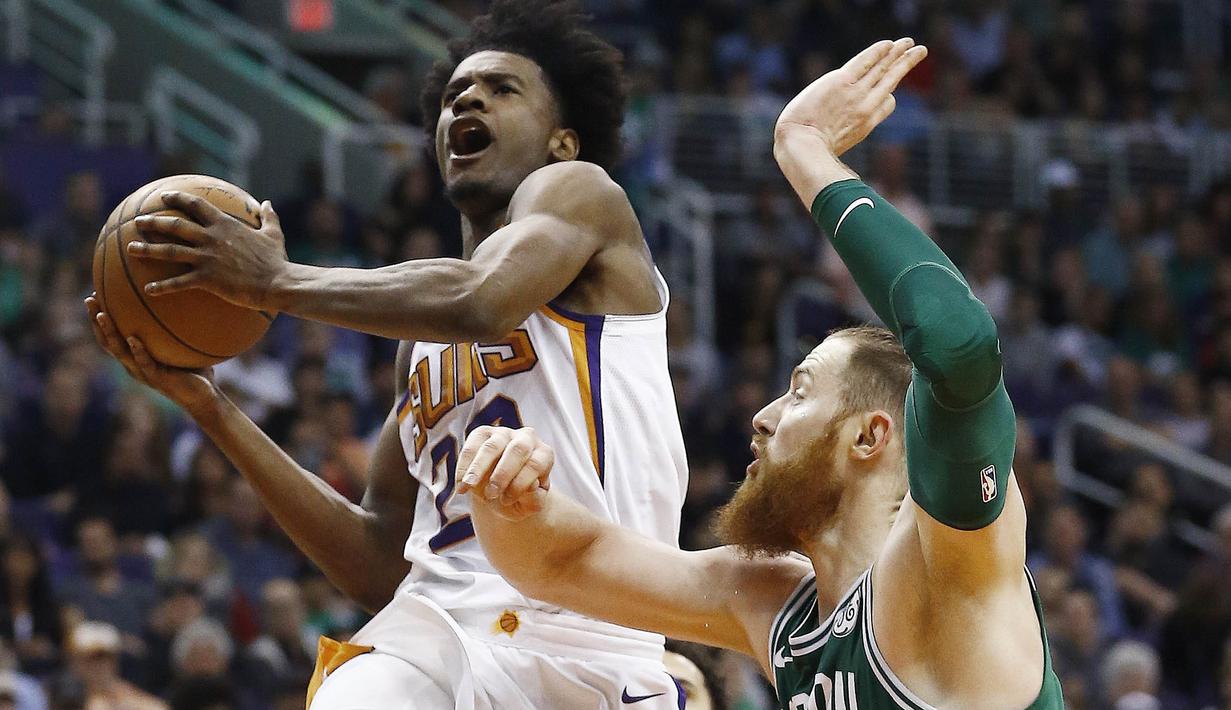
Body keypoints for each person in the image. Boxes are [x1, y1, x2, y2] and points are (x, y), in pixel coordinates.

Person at [85, 1, 687, 707]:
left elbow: (483, 301)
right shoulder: (418, 337)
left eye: (501, 88)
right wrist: (213, 410)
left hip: (590, 640)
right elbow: (378, 560)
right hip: (434, 633)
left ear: (560, 141)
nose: (467, 97)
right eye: (457, 93)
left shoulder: (581, 193)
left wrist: (276, 282)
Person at [460, 39, 1064, 708]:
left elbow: (957, 343)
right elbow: (559, 562)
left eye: (800, 390)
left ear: (869, 437)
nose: (762, 415)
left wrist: (803, 147)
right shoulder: (772, 606)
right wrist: (503, 497)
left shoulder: (943, 573)